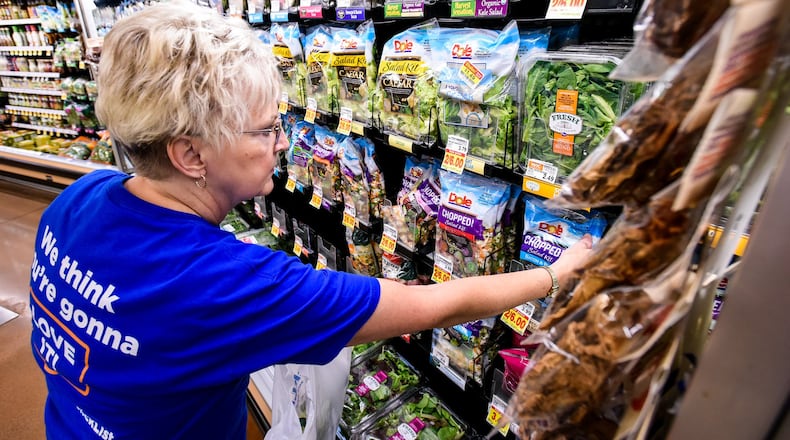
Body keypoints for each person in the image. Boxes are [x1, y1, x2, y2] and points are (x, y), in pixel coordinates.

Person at [28, 2, 593, 439]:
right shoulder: (224, 283)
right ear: (191, 155)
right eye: (265, 130)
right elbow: (427, 306)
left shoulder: (81, 196)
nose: (281, 143)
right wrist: (553, 275)